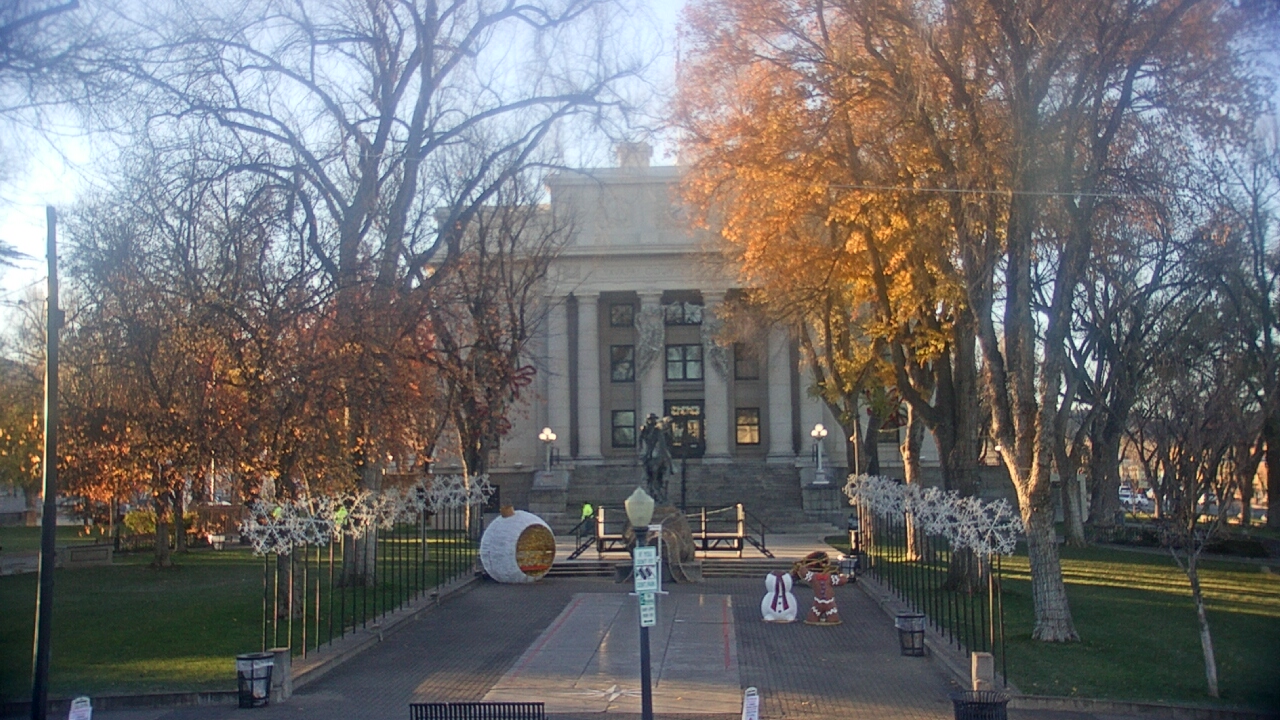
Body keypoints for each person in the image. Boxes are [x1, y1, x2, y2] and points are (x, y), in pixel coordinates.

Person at [638, 413, 674, 504]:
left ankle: (670, 468)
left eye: (653, 419)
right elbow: (640, 440)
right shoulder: (645, 429)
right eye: (651, 419)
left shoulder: (658, 430)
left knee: (667, 457)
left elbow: (662, 441)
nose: (652, 421)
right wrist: (641, 448)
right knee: (646, 462)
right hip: (649, 449)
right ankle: (646, 476)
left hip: (656, 448)